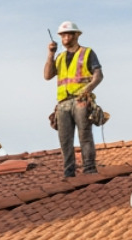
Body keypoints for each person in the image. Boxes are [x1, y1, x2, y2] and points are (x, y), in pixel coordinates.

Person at [43, 21, 104, 178]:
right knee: (65, 140)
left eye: (68, 33)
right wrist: (50, 54)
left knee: (85, 135)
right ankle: (69, 173)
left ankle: (89, 169)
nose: (65, 37)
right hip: (63, 103)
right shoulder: (60, 57)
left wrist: (87, 90)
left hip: (80, 100)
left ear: (77, 35)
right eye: (63, 34)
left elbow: (98, 75)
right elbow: (47, 76)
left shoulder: (87, 52)